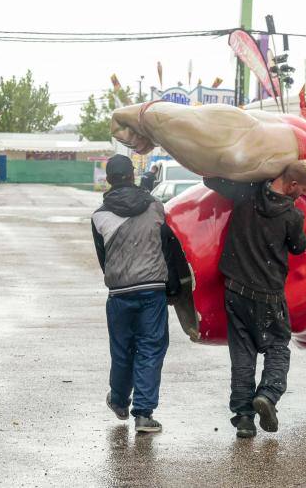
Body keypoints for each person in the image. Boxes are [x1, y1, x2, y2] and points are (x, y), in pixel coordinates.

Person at [204, 160, 306, 439]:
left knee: (242, 353)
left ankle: (244, 418)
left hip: (236, 289)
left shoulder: (246, 192)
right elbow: (298, 247)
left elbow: (211, 179)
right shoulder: (292, 215)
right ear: (291, 185)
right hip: (269, 294)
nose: (301, 196)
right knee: (278, 347)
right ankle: (267, 394)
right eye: (302, 191)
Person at [91, 154, 178, 433]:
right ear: (132, 175)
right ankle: (143, 414)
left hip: (119, 292)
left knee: (122, 351)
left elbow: (103, 258)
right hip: (152, 289)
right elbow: (168, 247)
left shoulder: (99, 216)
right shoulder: (155, 207)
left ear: (108, 180)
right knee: (150, 349)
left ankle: (118, 401)